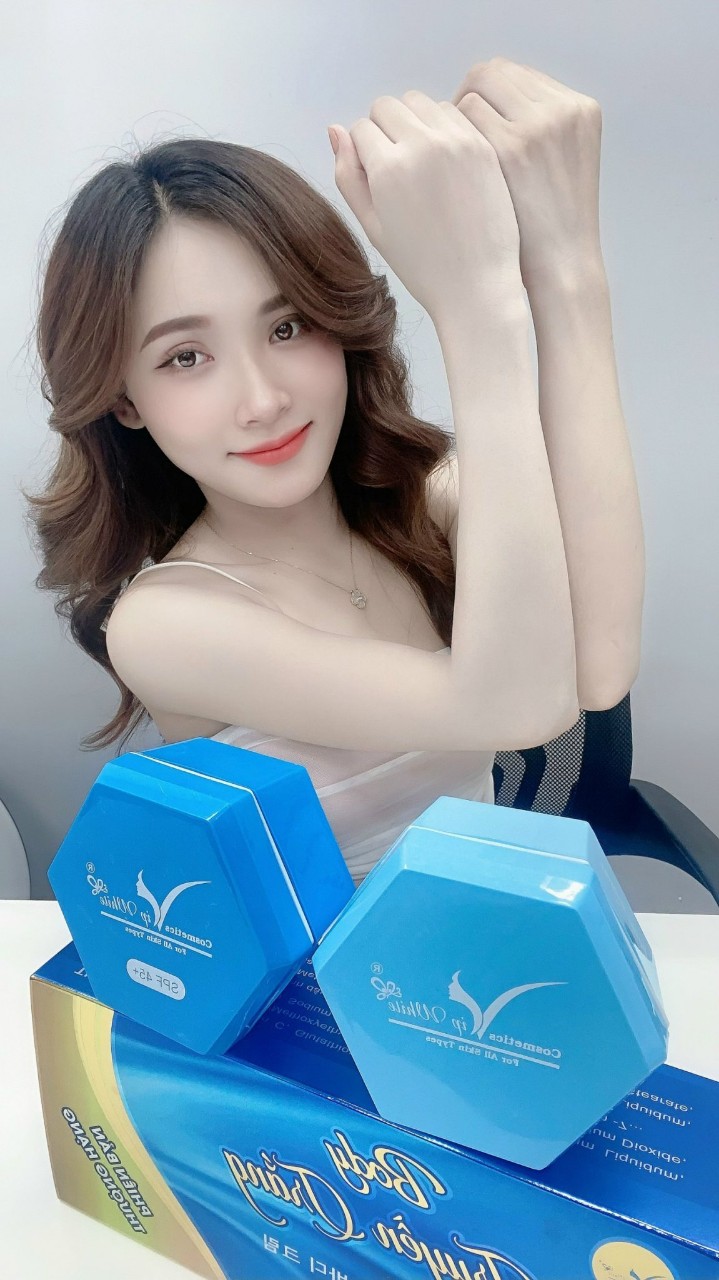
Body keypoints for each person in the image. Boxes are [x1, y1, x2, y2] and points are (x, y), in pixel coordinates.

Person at [25, 62, 644, 887]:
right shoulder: (164, 622)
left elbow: (599, 668)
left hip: (495, 937)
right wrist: (475, 303)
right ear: (124, 401)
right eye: (185, 357)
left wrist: (568, 267)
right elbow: (515, 708)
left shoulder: (418, 502)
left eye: (286, 327)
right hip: (326, 972)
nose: (262, 401)